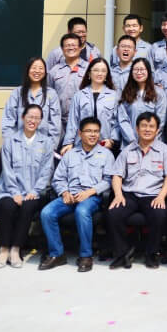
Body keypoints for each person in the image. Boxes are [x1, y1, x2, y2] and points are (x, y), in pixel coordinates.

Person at [38, 116, 115, 272]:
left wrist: (90, 192)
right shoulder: (70, 154)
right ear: (80, 133)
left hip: (91, 197)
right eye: (89, 131)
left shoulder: (106, 154)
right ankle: (57, 254)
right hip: (70, 196)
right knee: (47, 213)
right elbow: (58, 178)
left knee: (82, 211)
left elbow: (109, 180)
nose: (93, 135)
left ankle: (86, 255)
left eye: (96, 131)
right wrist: (64, 192)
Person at [106, 111, 167, 269]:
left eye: (151, 126)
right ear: (137, 129)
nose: (147, 129)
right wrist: (118, 195)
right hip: (129, 194)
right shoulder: (127, 150)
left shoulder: (165, 150)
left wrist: (161, 196)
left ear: (157, 130)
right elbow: (117, 175)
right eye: (144, 126)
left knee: (159, 214)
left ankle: (151, 254)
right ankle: (122, 253)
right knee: (113, 213)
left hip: (153, 194)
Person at [0, 104, 54, 269]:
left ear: (40, 121)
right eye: (30, 117)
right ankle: (4, 249)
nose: (33, 120)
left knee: (27, 207)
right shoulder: (10, 141)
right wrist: (14, 192)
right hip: (8, 190)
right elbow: (7, 170)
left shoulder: (46, 142)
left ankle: (15, 249)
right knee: (8, 206)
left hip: (33, 192)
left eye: (37, 118)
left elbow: (46, 171)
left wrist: (34, 191)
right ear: (22, 118)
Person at [62, 58, 120, 153]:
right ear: (89, 73)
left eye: (103, 71)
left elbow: (117, 122)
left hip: (105, 145)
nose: (100, 73)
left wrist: (112, 141)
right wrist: (68, 142)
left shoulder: (114, 96)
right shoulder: (79, 95)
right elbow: (73, 122)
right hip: (82, 145)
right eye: (96, 70)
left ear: (107, 75)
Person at [1, 57, 61, 148]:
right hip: (19, 145)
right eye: (34, 67)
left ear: (45, 72)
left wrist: (50, 148)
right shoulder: (17, 93)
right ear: (28, 70)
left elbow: (55, 125)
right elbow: (8, 121)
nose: (37, 71)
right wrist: (11, 145)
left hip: (42, 147)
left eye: (41, 68)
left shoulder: (51, 94)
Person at [116, 58, 167, 146]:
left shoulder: (159, 93)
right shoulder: (126, 92)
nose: (139, 72)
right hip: (130, 144)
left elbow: (161, 120)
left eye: (142, 69)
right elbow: (123, 119)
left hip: (153, 144)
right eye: (136, 69)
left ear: (148, 71)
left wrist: (148, 140)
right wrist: (132, 141)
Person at [48, 33, 88, 139]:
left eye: (74, 45)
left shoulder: (89, 69)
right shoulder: (54, 71)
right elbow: (49, 95)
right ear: (62, 49)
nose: (70, 48)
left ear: (80, 47)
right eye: (67, 45)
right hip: (59, 122)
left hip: (82, 121)